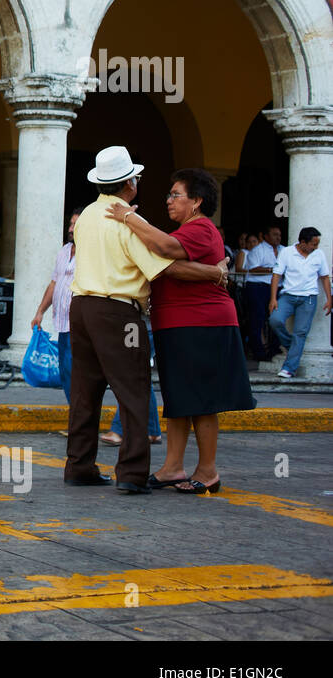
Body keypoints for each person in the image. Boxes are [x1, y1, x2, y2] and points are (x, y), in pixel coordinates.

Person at [64, 146, 224, 495]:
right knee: (134, 390)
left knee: (84, 392)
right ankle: (132, 473)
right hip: (119, 312)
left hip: (81, 307)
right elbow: (163, 264)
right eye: (135, 178)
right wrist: (214, 271)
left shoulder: (88, 215)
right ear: (129, 185)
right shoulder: (127, 221)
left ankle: (79, 465)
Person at [106, 169, 255, 493]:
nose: (169, 200)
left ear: (197, 201)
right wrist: (210, 272)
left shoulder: (201, 228)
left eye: (176, 195)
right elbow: (164, 259)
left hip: (202, 322)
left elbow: (164, 250)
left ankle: (208, 470)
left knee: (201, 400)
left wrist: (129, 217)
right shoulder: (189, 230)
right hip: (177, 323)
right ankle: (173, 467)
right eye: (170, 194)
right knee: (179, 399)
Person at [32, 208, 83, 399]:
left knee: (76, 373)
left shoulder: (91, 254)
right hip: (62, 324)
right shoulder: (63, 252)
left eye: (75, 225)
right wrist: (40, 312)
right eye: (70, 224)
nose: (70, 229)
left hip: (79, 325)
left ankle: (79, 418)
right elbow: (54, 283)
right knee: (66, 373)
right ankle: (75, 414)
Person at [269, 226, 332, 379]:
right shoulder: (287, 252)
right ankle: (293, 347)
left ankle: (289, 368)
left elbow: (324, 277)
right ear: (303, 242)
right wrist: (273, 298)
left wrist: (330, 299)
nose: (316, 247)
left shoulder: (318, 255)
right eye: (313, 244)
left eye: (317, 244)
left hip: (309, 298)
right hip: (288, 296)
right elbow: (276, 275)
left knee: (300, 333)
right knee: (275, 320)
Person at [242, 226, 283, 360]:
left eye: (279, 235)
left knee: (276, 319)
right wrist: (275, 270)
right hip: (258, 287)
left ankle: (274, 350)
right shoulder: (258, 250)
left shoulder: (284, 250)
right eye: (274, 234)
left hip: (277, 287)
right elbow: (254, 269)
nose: (278, 237)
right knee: (257, 319)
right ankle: (258, 352)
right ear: (265, 236)